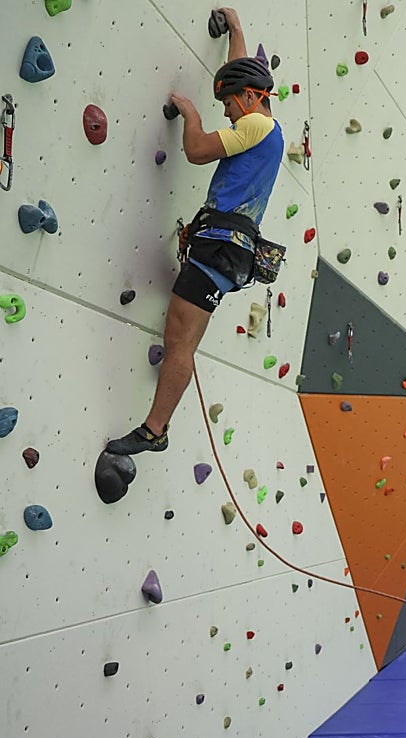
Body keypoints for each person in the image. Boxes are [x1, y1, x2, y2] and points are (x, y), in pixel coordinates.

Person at [106, 9, 283, 459]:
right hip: (226, 251)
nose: (224, 110)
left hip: (220, 250)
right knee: (184, 338)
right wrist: (237, 30)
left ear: (248, 99)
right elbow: (244, 77)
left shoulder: (255, 125)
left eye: (228, 103)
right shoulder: (263, 120)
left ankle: (154, 430)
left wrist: (190, 113)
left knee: (180, 340)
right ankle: (156, 427)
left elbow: (197, 150)